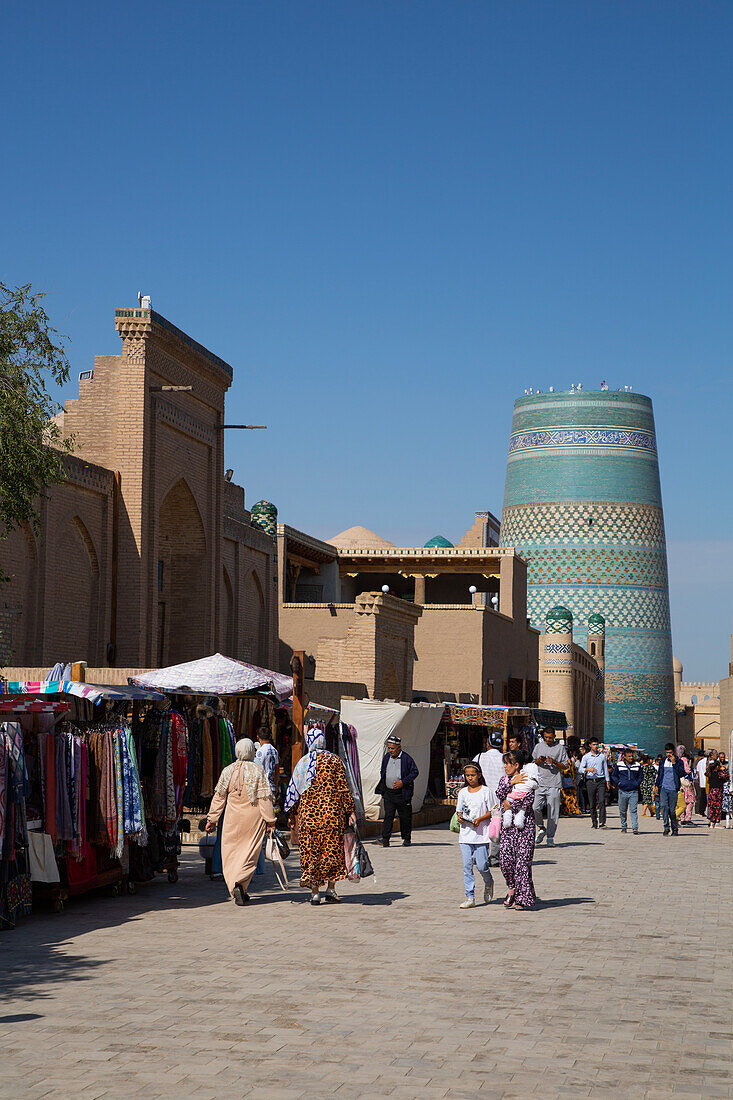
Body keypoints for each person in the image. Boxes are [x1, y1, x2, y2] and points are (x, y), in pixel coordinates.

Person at [285, 728, 355, 904]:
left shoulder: (304, 762)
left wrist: (292, 815)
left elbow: (294, 791)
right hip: (332, 816)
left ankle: (315, 893)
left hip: (309, 818)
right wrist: (350, 810)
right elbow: (343, 788)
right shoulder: (335, 761)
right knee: (332, 852)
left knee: (311, 853)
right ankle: (331, 889)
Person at [205, 738, 277, 906]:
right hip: (253, 819)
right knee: (249, 852)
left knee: (230, 853)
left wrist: (212, 818)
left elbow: (219, 797)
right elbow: (264, 798)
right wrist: (270, 820)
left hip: (231, 818)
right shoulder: (258, 770)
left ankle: (234, 886)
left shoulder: (227, 770)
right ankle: (241, 885)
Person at [496, 751, 537, 911]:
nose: (505, 767)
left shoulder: (528, 777)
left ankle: (522, 898)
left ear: (516, 765)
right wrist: (512, 782)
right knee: (506, 861)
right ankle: (512, 888)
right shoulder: (504, 780)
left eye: (508, 763)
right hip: (507, 828)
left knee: (522, 864)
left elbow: (528, 799)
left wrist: (510, 805)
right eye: (504, 764)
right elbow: (499, 794)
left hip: (525, 826)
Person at [455, 762, 497, 909]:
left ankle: (488, 881)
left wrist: (480, 819)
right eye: (467, 775)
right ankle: (470, 896)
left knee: (481, 865)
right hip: (465, 834)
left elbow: (493, 810)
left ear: (479, 775)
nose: (470, 778)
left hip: (481, 835)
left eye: (472, 775)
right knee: (467, 866)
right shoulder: (462, 793)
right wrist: (460, 817)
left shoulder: (486, 791)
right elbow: (459, 811)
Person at [375, 735, 419, 847]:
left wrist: (403, 782)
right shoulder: (386, 757)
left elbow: (414, 772)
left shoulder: (406, 759)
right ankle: (385, 839)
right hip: (389, 793)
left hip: (402, 794)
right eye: (389, 748)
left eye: (392, 748)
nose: (390, 750)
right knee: (388, 816)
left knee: (405, 817)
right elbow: (383, 771)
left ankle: (406, 838)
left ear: (399, 747)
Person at [531, 728, 569, 847]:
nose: (548, 740)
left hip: (554, 783)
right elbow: (532, 764)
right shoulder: (538, 746)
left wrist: (554, 762)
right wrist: (539, 760)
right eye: (546, 737)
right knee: (534, 807)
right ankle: (541, 827)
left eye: (550, 738)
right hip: (540, 783)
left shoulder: (560, 748)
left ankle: (550, 837)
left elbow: (565, 766)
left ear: (554, 736)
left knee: (553, 812)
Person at [473, 729, 506, 865]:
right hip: (499, 799)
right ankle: (495, 857)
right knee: (496, 828)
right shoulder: (506, 758)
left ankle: (479, 856)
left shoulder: (479, 757)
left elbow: (471, 773)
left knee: (480, 826)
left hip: (481, 797)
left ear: (488, 744)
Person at [653, 743, 686, 837]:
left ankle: (674, 829)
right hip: (663, 788)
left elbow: (681, 773)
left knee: (672, 810)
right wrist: (656, 785)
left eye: (670, 753)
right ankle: (666, 828)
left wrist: (675, 763)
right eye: (667, 753)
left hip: (673, 789)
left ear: (674, 752)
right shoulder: (663, 761)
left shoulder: (679, 761)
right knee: (664, 807)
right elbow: (660, 774)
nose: (669, 755)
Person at [578, 738, 610, 828]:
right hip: (590, 781)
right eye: (594, 744)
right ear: (590, 745)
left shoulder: (602, 756)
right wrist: (588, 769)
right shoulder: (586, 757)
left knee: (601, 801)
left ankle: (602, 822)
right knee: (592, 802)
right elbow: (580, 769)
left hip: (601, 780)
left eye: (597, 744)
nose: (596, 746)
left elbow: (605, 769)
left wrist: (607, 781)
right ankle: (594, 820)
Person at [610, 749, 643, 834]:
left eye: (632, 756)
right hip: (622, 791)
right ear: (624, 757)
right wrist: (619, 783)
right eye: (629, 756)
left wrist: (637, 783)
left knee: (633, 810)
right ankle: (623, 826)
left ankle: (635, 828)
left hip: (633, 791)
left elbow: (640, 776)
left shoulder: (637, 765)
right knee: (622, 810)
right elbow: (614, 775)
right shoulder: (619, 765)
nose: (631, 757)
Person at [254, 725, 280, 800]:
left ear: (258, 737)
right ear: (269, 737)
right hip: (271, 786)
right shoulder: (275, 751)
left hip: (262, 787)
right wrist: (276, 785)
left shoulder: (260, 752)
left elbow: (257, 769)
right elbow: (277, 770)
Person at [706, 754, 727, 829]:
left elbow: (706, 772)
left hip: (711, 791)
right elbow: (726, 776)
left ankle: (712, 822)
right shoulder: (719, 774)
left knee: (712, 807)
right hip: (718, 791)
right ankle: (717, 822)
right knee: (718, 807)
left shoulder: (710, 773)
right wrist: (723, 768)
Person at [677, 747, 695, 825]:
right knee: (690, 801)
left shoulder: (676, 760)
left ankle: (682, 818)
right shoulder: (684, 760)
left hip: (679, 783)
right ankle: (687, 818)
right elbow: (687, 771)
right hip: (686, 783)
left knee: (681, 802)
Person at [695, 752, 708, 817]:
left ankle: (701, 811)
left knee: (702, 798)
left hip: (702, 782)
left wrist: (699, 780)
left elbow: (697, 772)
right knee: (706, 798)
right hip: (707, 783)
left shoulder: (700, 762)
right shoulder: (709, 762)